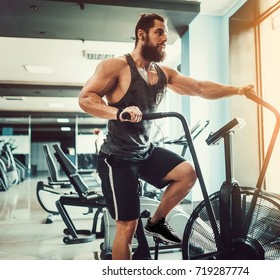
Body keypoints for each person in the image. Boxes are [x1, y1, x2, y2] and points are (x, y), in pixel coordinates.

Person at [78, 13, 256, 260]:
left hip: (144, 150)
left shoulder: (163, 73)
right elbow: (87, 99)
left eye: (166, 34)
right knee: (126, 226)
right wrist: (119, 113)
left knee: (187, 173)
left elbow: (201, 88)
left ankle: (157, 221)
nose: (165, 39)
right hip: (117, 158)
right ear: (142, 34)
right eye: (159, 32)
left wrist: (237, 90)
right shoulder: (115, 66)